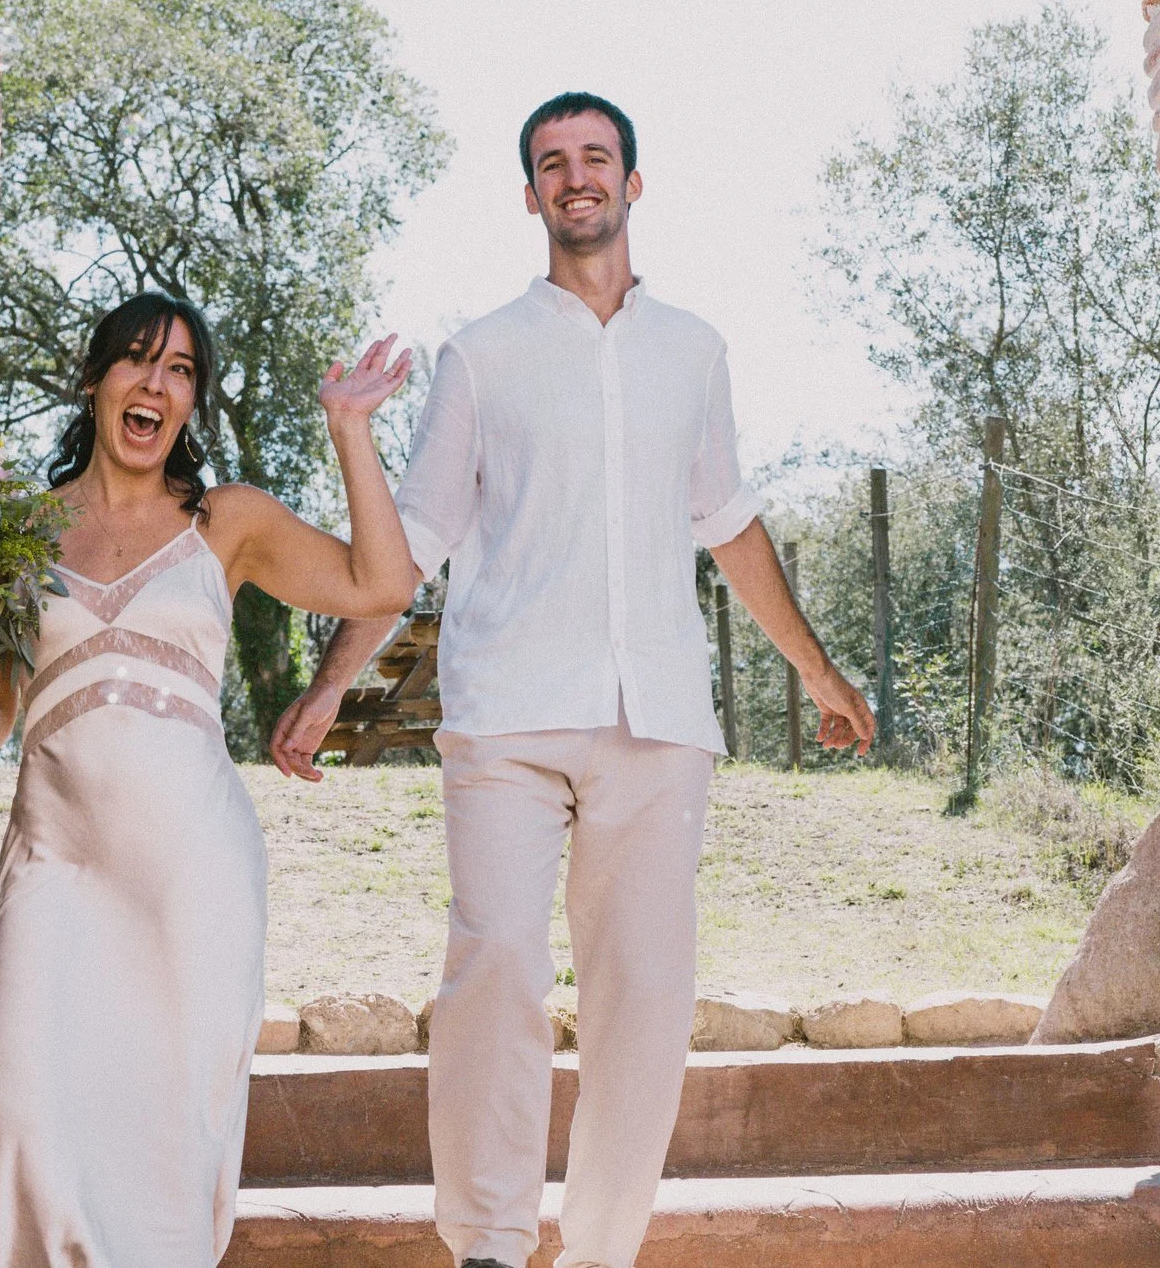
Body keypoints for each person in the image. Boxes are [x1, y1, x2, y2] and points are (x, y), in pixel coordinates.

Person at [270, 92, 877, 1268]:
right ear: (531, 194)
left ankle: (599, 1252)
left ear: (632, 184)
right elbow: (419, 537)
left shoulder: (694, 351)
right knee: (493, 964)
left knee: (643, 999)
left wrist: (819, 671)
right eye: (553, 163)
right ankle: (488, 1246)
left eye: (596, 157)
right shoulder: (480, 353)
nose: (576, 176)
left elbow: (729, 522)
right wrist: (334, 682)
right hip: (504, 715)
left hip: (657, 723)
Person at [0, 291, 416, 1268]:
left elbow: (383, 583)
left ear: (191, 401)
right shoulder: (18, 532)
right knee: (25, 1128)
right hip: (56, 871)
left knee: (168, 1153)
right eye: (137, 358)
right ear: (94, 379)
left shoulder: (230, 522)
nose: (156, 381)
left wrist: (349, 429)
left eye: (179, 368)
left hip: (192, 876)